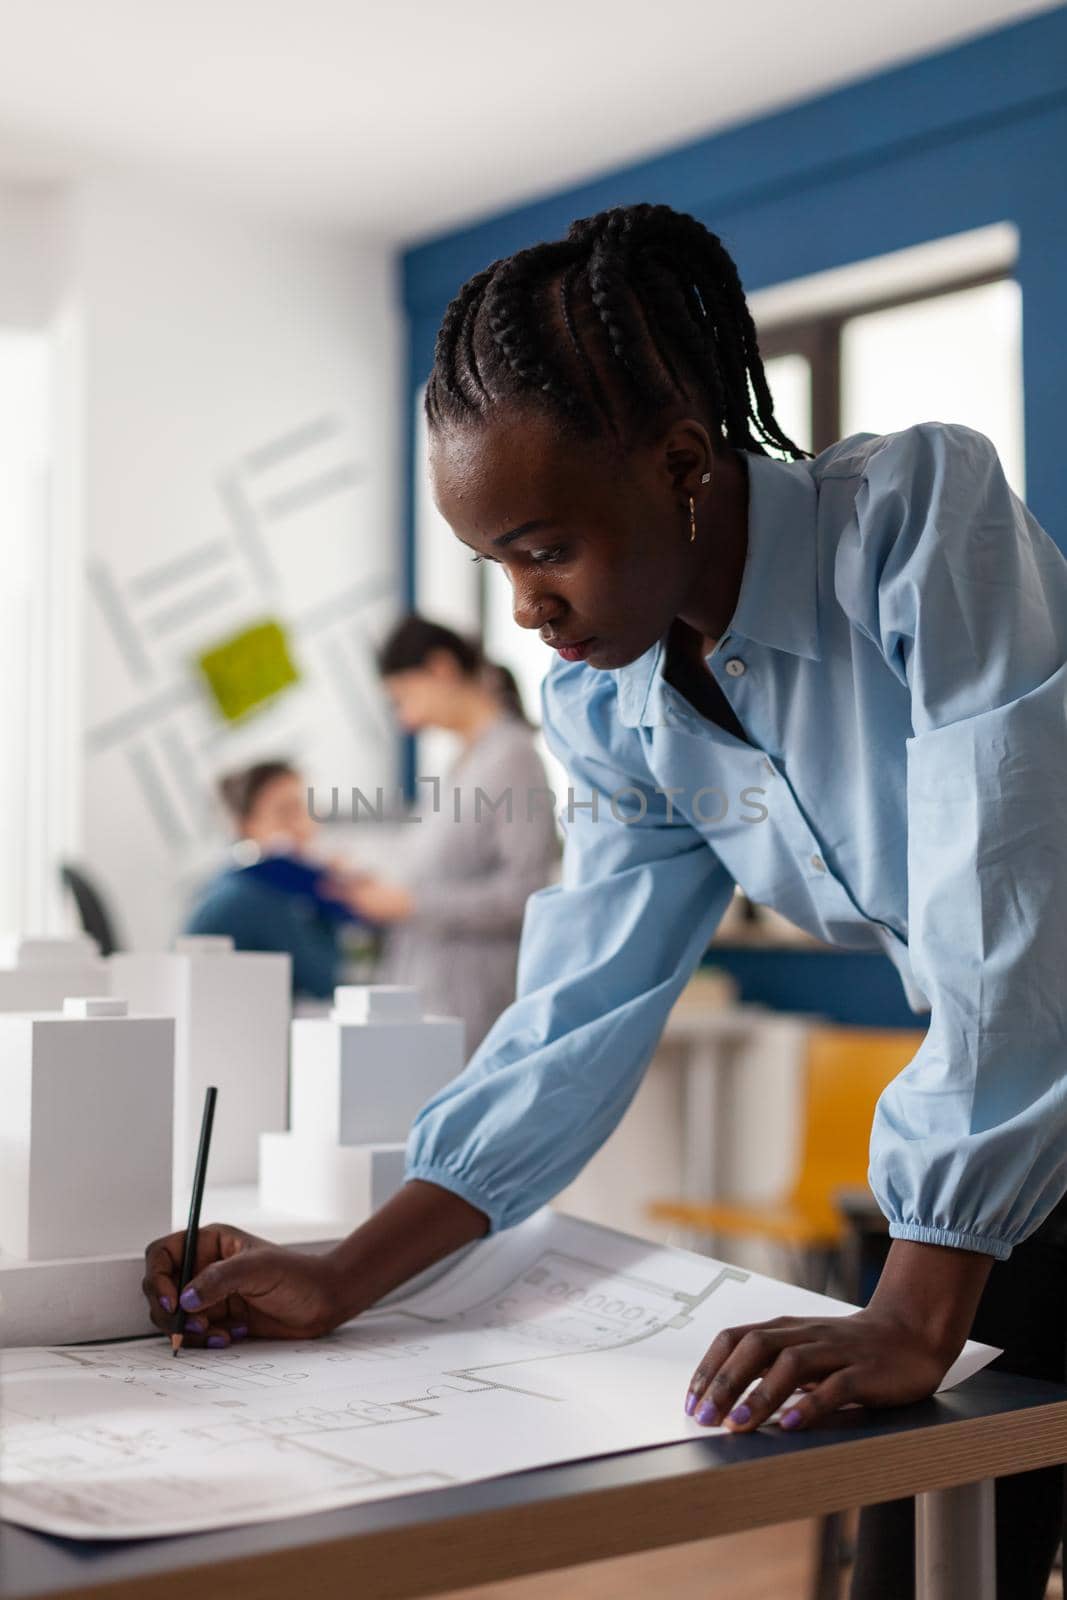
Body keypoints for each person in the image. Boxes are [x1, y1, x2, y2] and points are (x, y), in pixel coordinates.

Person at [146, 204, 1067, 1598]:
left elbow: (1011, 912)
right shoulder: (617, 703)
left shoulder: (913, 528)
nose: (522, 609)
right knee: (917, 1548)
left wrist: (912, 1307)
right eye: (497, 566)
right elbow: (578, 1006)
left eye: (543, 549)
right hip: (1024, 1135)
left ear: (684, 463)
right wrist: (346, 1272)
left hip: (1019, 1098)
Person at [345, 614, 559, 1055]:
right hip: (429, 997)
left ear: (441, 669)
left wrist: (410, 904)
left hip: (473, 1008)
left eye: (403, 697)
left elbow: (527, 893)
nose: (405, 721)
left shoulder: (512, 759)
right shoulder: (464, 761)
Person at [184, 760, 343, 1000]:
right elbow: (325, 980)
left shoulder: (234, 881)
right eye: (285, 813)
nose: (303, 825)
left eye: (306, 809)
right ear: (246, 825)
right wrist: (331, 893)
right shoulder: (252, 896)